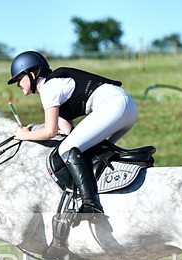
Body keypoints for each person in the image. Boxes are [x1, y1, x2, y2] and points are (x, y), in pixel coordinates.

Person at [8, 50, 138, 219]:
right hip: (128, 109)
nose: (18, 85)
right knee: (87, 151)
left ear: (32, 74)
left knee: (66, 150)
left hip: (113, 105)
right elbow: (67, 132)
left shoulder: (48, 88)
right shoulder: (56, 87)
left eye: (19, 79)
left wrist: (24, 135)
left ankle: (91, 205)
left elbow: (50, 131)